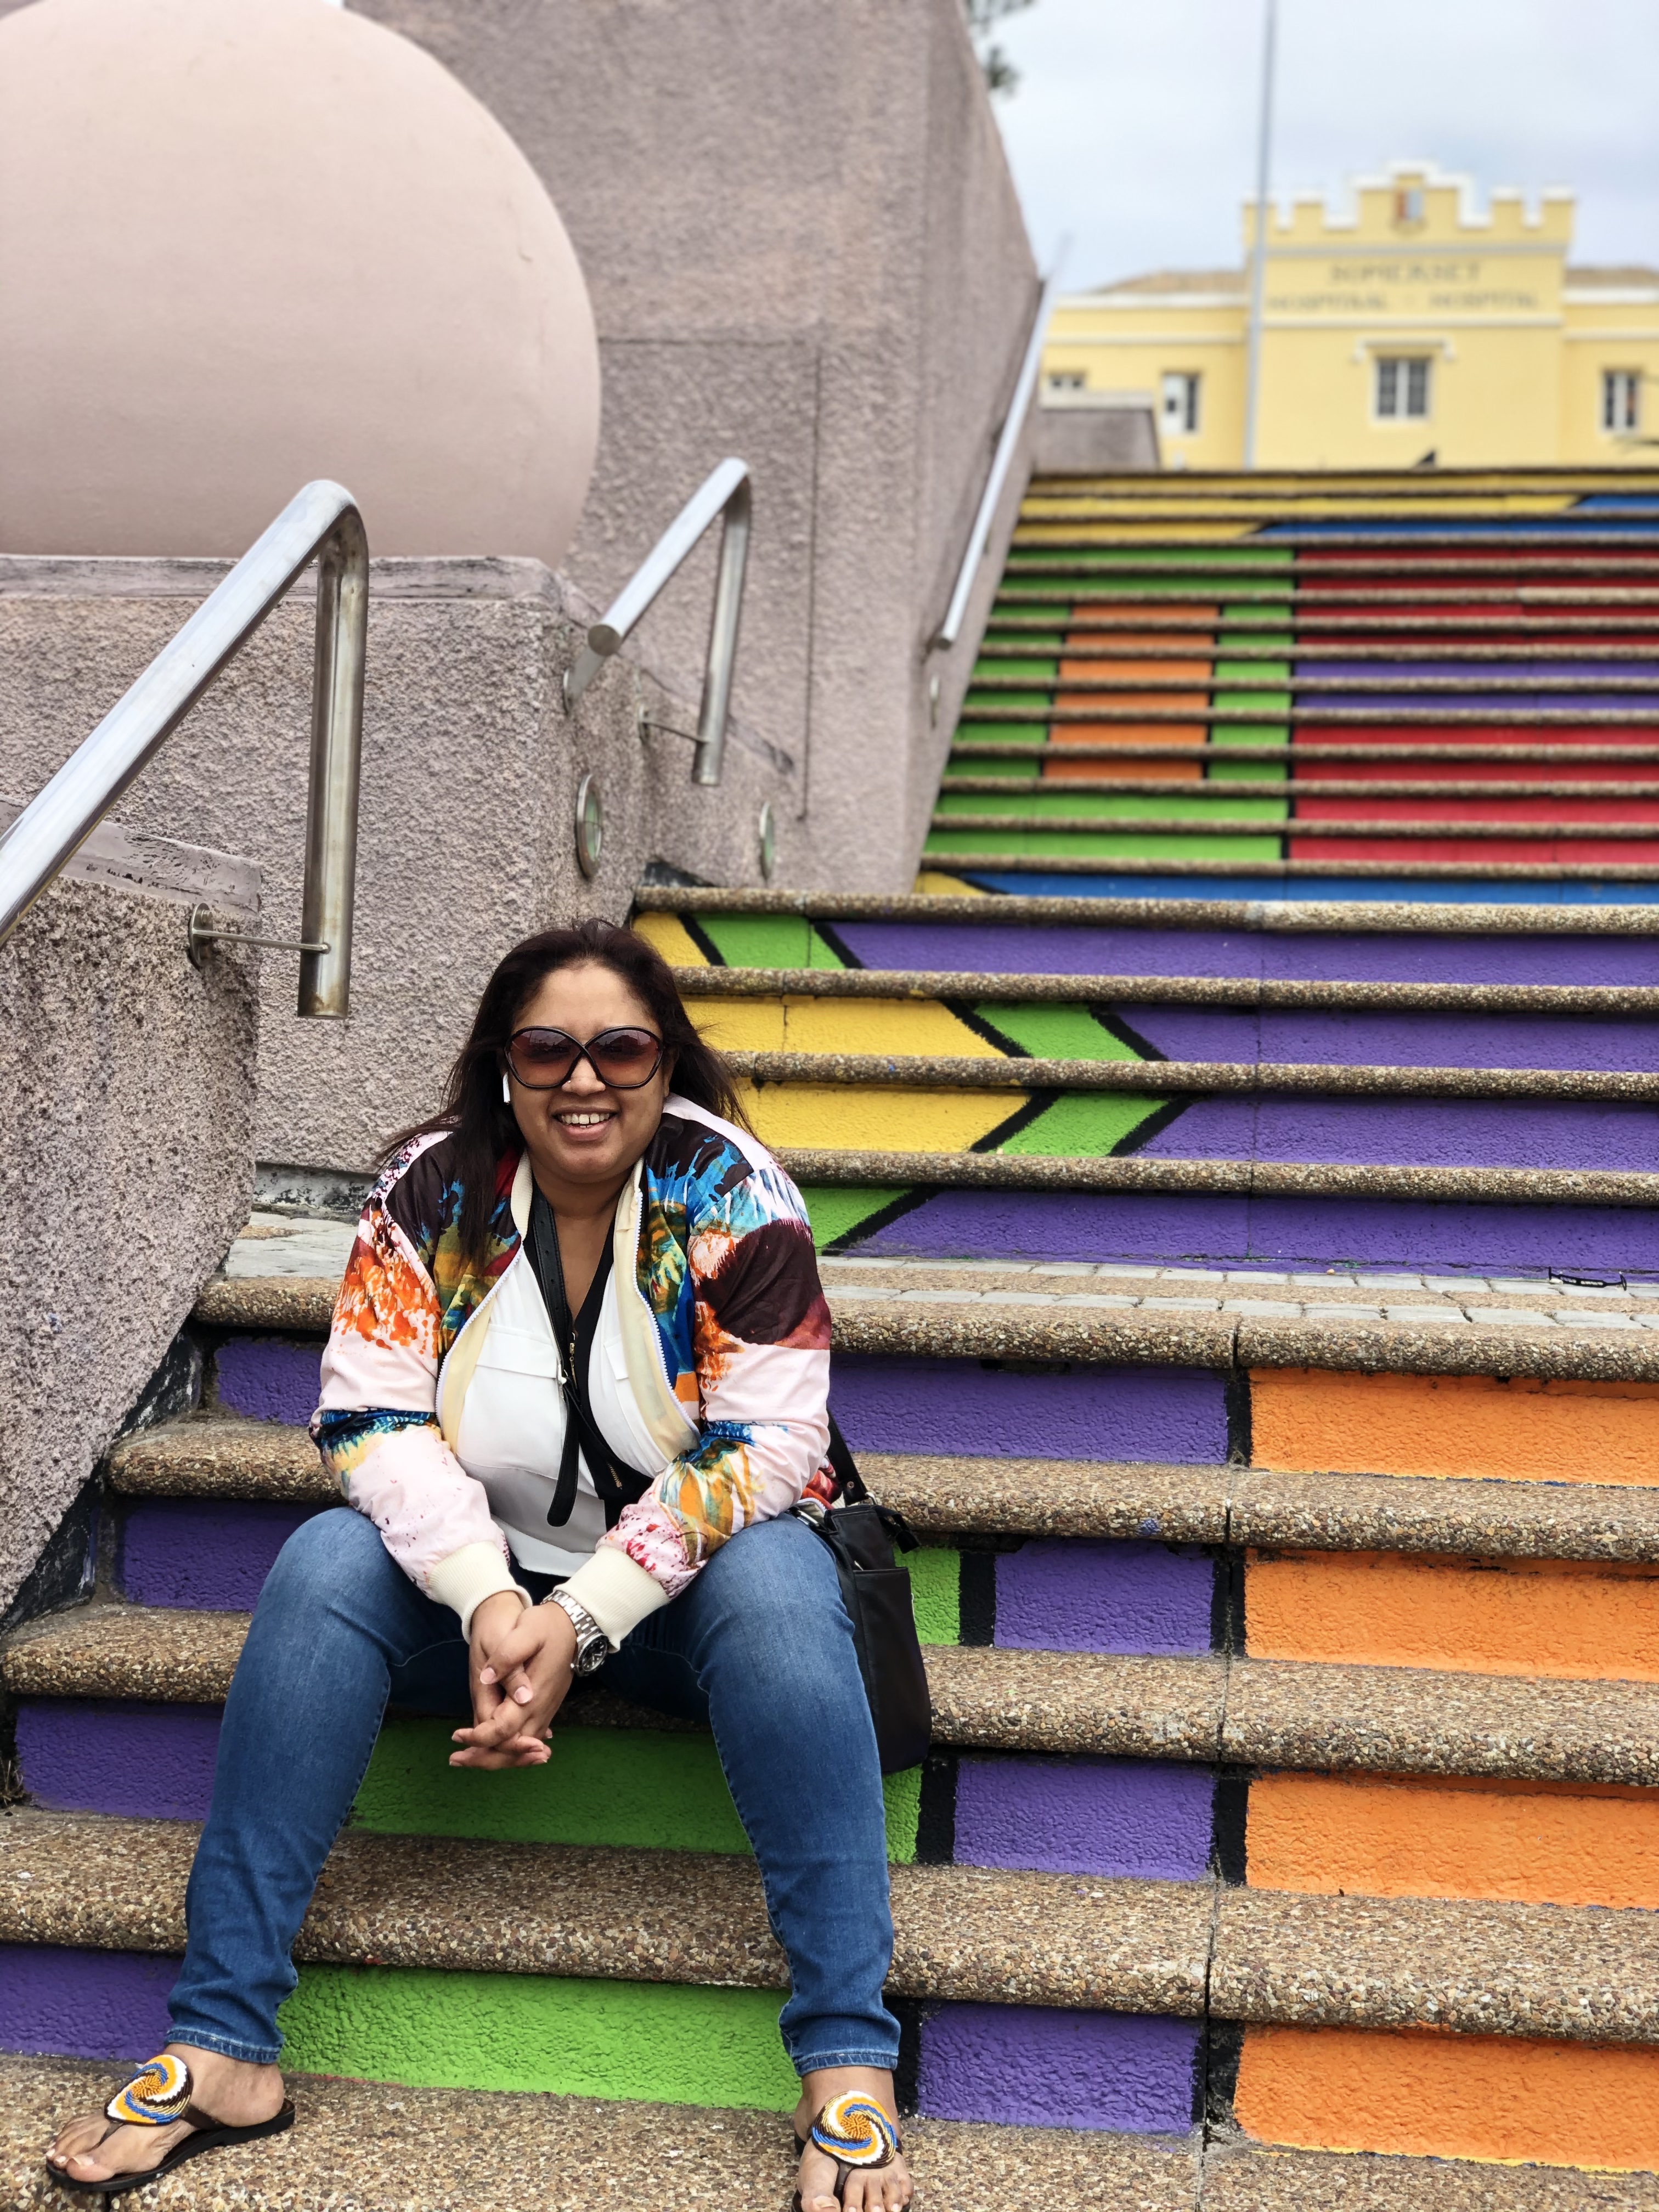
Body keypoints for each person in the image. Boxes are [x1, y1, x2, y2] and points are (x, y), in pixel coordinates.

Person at [47, 918, 913, 2211]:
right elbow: (371, 1417)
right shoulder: (429, 1194)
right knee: (322, 1567)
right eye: (546, 1048)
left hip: (686, 1602)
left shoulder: (738, 1195)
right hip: (477, 1601)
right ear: (504, 1065)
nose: (584, 1079)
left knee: (783, 1586)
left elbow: (771, 1445)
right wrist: (496, 1600)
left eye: (620, 1049)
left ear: (663, 1063)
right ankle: (223, 2043)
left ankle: (847, 2064)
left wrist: (591, 1613)